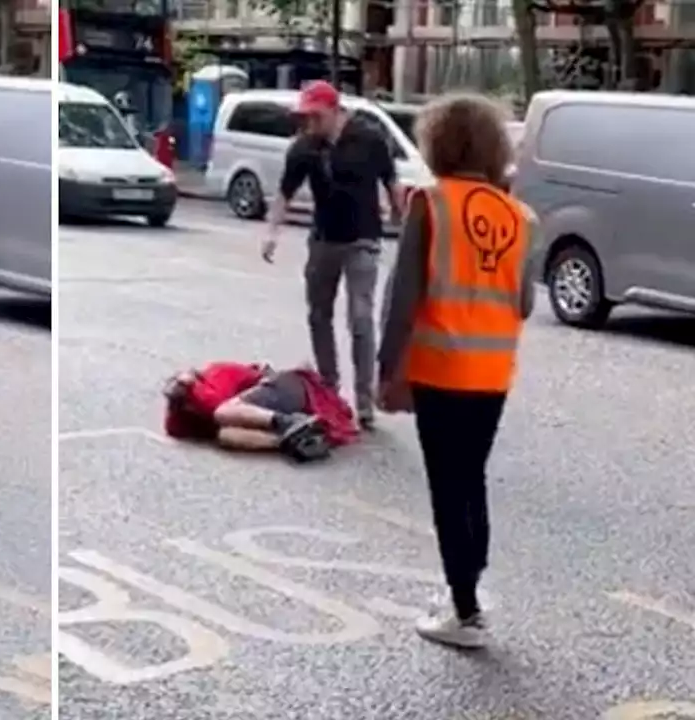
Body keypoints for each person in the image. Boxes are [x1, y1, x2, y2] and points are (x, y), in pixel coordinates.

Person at [377, 93, 539, 649]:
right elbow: (524, 303)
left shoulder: (430, 203)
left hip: (440, 367)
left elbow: (402, 298)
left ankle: (465, 611)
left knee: (448, 487)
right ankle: (470, 587)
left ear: (438, 142)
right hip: (492, 373)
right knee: (471, 477)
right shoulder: (520, 216)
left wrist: (385, 370)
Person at [261, 80, 404, 429]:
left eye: (315, 116)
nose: (309, 123)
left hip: (363, 239)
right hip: (324, 240)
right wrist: (271, 234)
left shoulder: (370, 137)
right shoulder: (304, 148)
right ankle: (329, 386)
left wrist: (401, 217)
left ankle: (365, 400)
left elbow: (391, 180)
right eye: (304, 117)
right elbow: (284, 194)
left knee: (360, 317)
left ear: (335, 110)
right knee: (319, 314)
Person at [163, 361, 357, 459]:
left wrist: (191, 386)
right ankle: (296, 441)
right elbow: (174, 430)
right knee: (225, 435)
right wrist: (176, 402)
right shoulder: (191, 406)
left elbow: (216, 404)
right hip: (267, 406)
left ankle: (289, 423)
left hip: (286, 388)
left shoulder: (215, 373)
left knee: (223, 413)